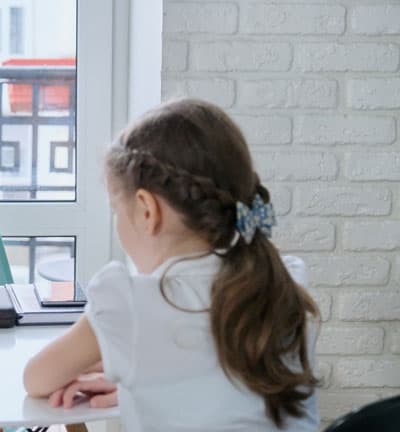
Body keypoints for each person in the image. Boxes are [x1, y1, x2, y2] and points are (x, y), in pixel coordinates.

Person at [23, 98, 321, 431]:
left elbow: (37, 377)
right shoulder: (283, 282)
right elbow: (227, 392)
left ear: (147, 211)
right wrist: (145, 379)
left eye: (115, 211)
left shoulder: (131, 306)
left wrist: (121, 356)